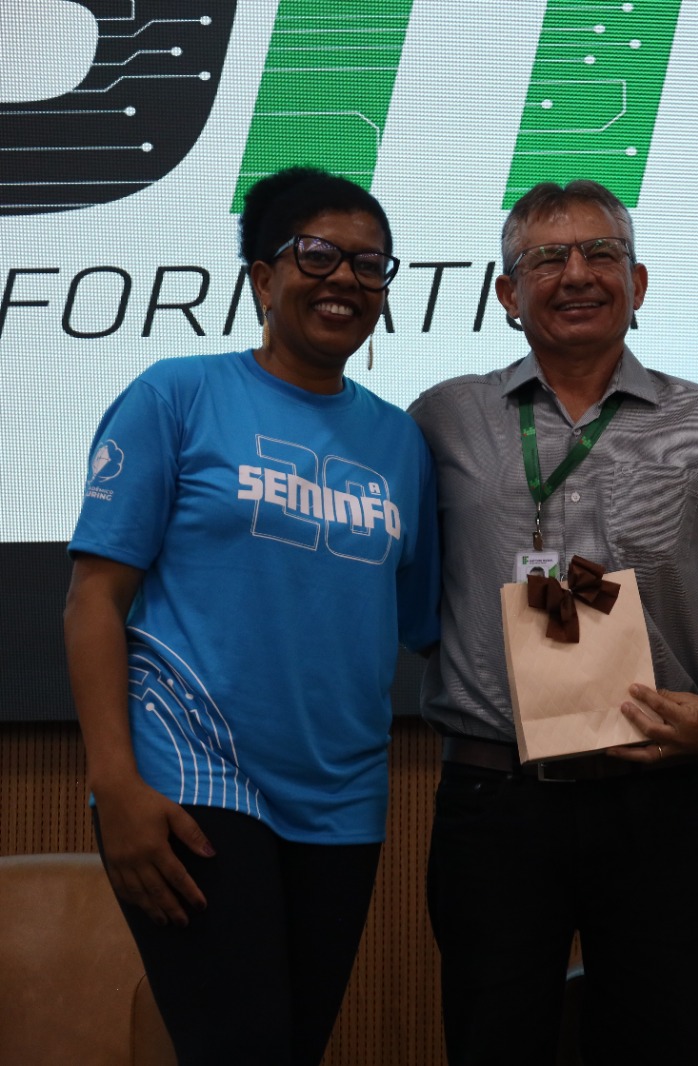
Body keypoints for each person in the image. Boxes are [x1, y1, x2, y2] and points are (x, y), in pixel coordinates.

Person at [62, 166, 439, 1065]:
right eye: (318, 255)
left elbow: (423, 621)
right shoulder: (175, 396)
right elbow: (92, 600)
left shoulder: (401, 442)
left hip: (344, 795)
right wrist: (115, 785)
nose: (346, 279)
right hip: (191, 775)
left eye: (370, 265)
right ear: (262, 277)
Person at [408, 179, 698, 1066]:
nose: (576, 274)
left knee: (654, 1045)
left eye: (601, 253)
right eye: (546, 259)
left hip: (654, 796)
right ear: (506, 293)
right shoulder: (441, 419)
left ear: (637, 283)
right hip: (494, 800)